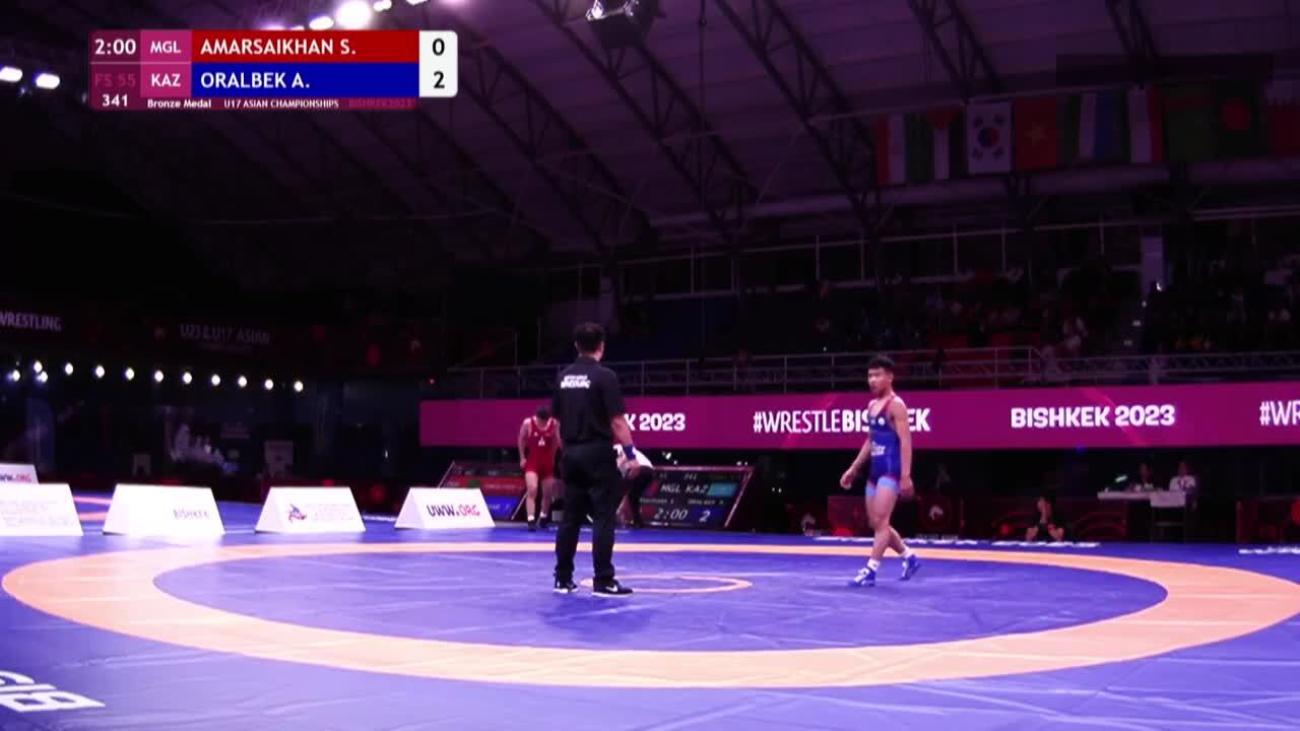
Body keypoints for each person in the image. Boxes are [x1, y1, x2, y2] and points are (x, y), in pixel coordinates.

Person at [550, 322, 636, 596]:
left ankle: (562, 579)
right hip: (597, 453)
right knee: (603, 517)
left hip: (571, 453)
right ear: (602, 346)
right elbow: (617, 422)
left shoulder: (563, 376)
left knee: (570, 518)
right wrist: (631, 455)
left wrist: (567, 451)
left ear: (576, 345)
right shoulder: (605, 376)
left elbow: (556, 424)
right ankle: (603, 580)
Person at [839, 355, 920, 586]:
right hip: (875, 470)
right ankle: (909, 556)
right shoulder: (871, 406)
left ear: (890, 377)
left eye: (877, 375)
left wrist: (905, 475)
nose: (872, 380)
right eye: (870, 375)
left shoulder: (896, 405)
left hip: (891, 471)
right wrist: (854, 468)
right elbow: (870, 439)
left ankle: (871, 570)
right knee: (876, 523)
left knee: (882, 521)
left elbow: (906, 441)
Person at [518, 406, 561, 531]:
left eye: (544, 421)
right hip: (532, 463)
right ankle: (531, 519)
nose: (542, 423)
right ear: (537, 418)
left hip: (547, 463)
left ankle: (543, 517)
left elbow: (556, 442)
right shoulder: (528, 423)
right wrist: (522, 457)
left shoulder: (554, 424)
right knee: (532, 489)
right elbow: (521, 440)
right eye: (540, 421)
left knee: (548, 493)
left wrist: (553, 458)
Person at [615, 444, 654, 528]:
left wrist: (617, 466)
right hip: (649, 472)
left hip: (641, 469)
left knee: (621, 492)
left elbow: (624, 457)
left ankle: (614, 515)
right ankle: (638, 522)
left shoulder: (617, 448)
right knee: (633, 496)